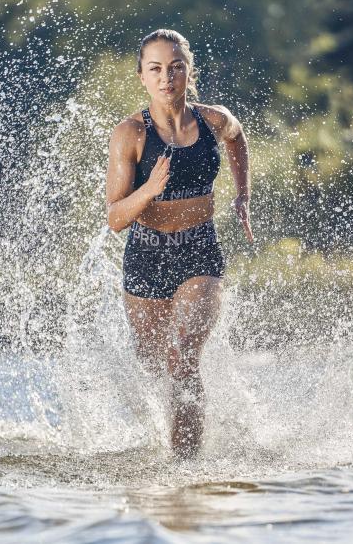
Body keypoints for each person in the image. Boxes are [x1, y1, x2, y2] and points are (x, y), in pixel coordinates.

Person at [106, 29, 253, 459]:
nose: (166, 77)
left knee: (182, 356)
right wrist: (148, 190)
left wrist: (242, 193)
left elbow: (237, 138)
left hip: (199, 249)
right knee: (153, 364)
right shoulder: (130, 134)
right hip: (146, 253)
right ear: (142, 77)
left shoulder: (212, 120)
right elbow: (115, 217)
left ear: (188, 72)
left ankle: (183, 467)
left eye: (175, 67)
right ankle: (162, 440)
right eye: (155, 69)